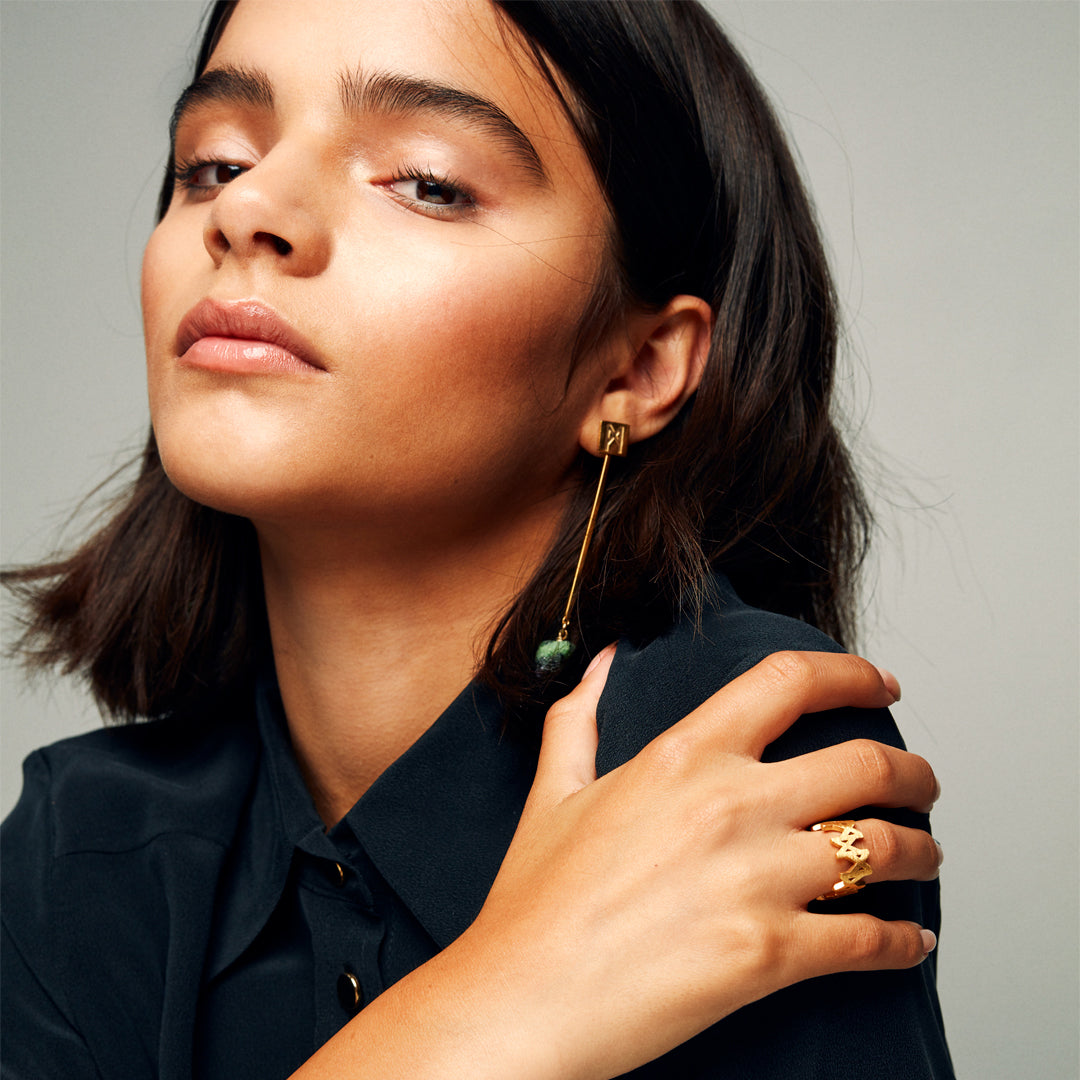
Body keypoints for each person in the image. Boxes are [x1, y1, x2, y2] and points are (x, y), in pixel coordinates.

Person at [1, 1, 953, 1077]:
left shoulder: (729, 743)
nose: (249, 210)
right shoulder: (85, 845)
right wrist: (498, 1008)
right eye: (214, 164)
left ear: (634, 370)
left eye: (426, 182)